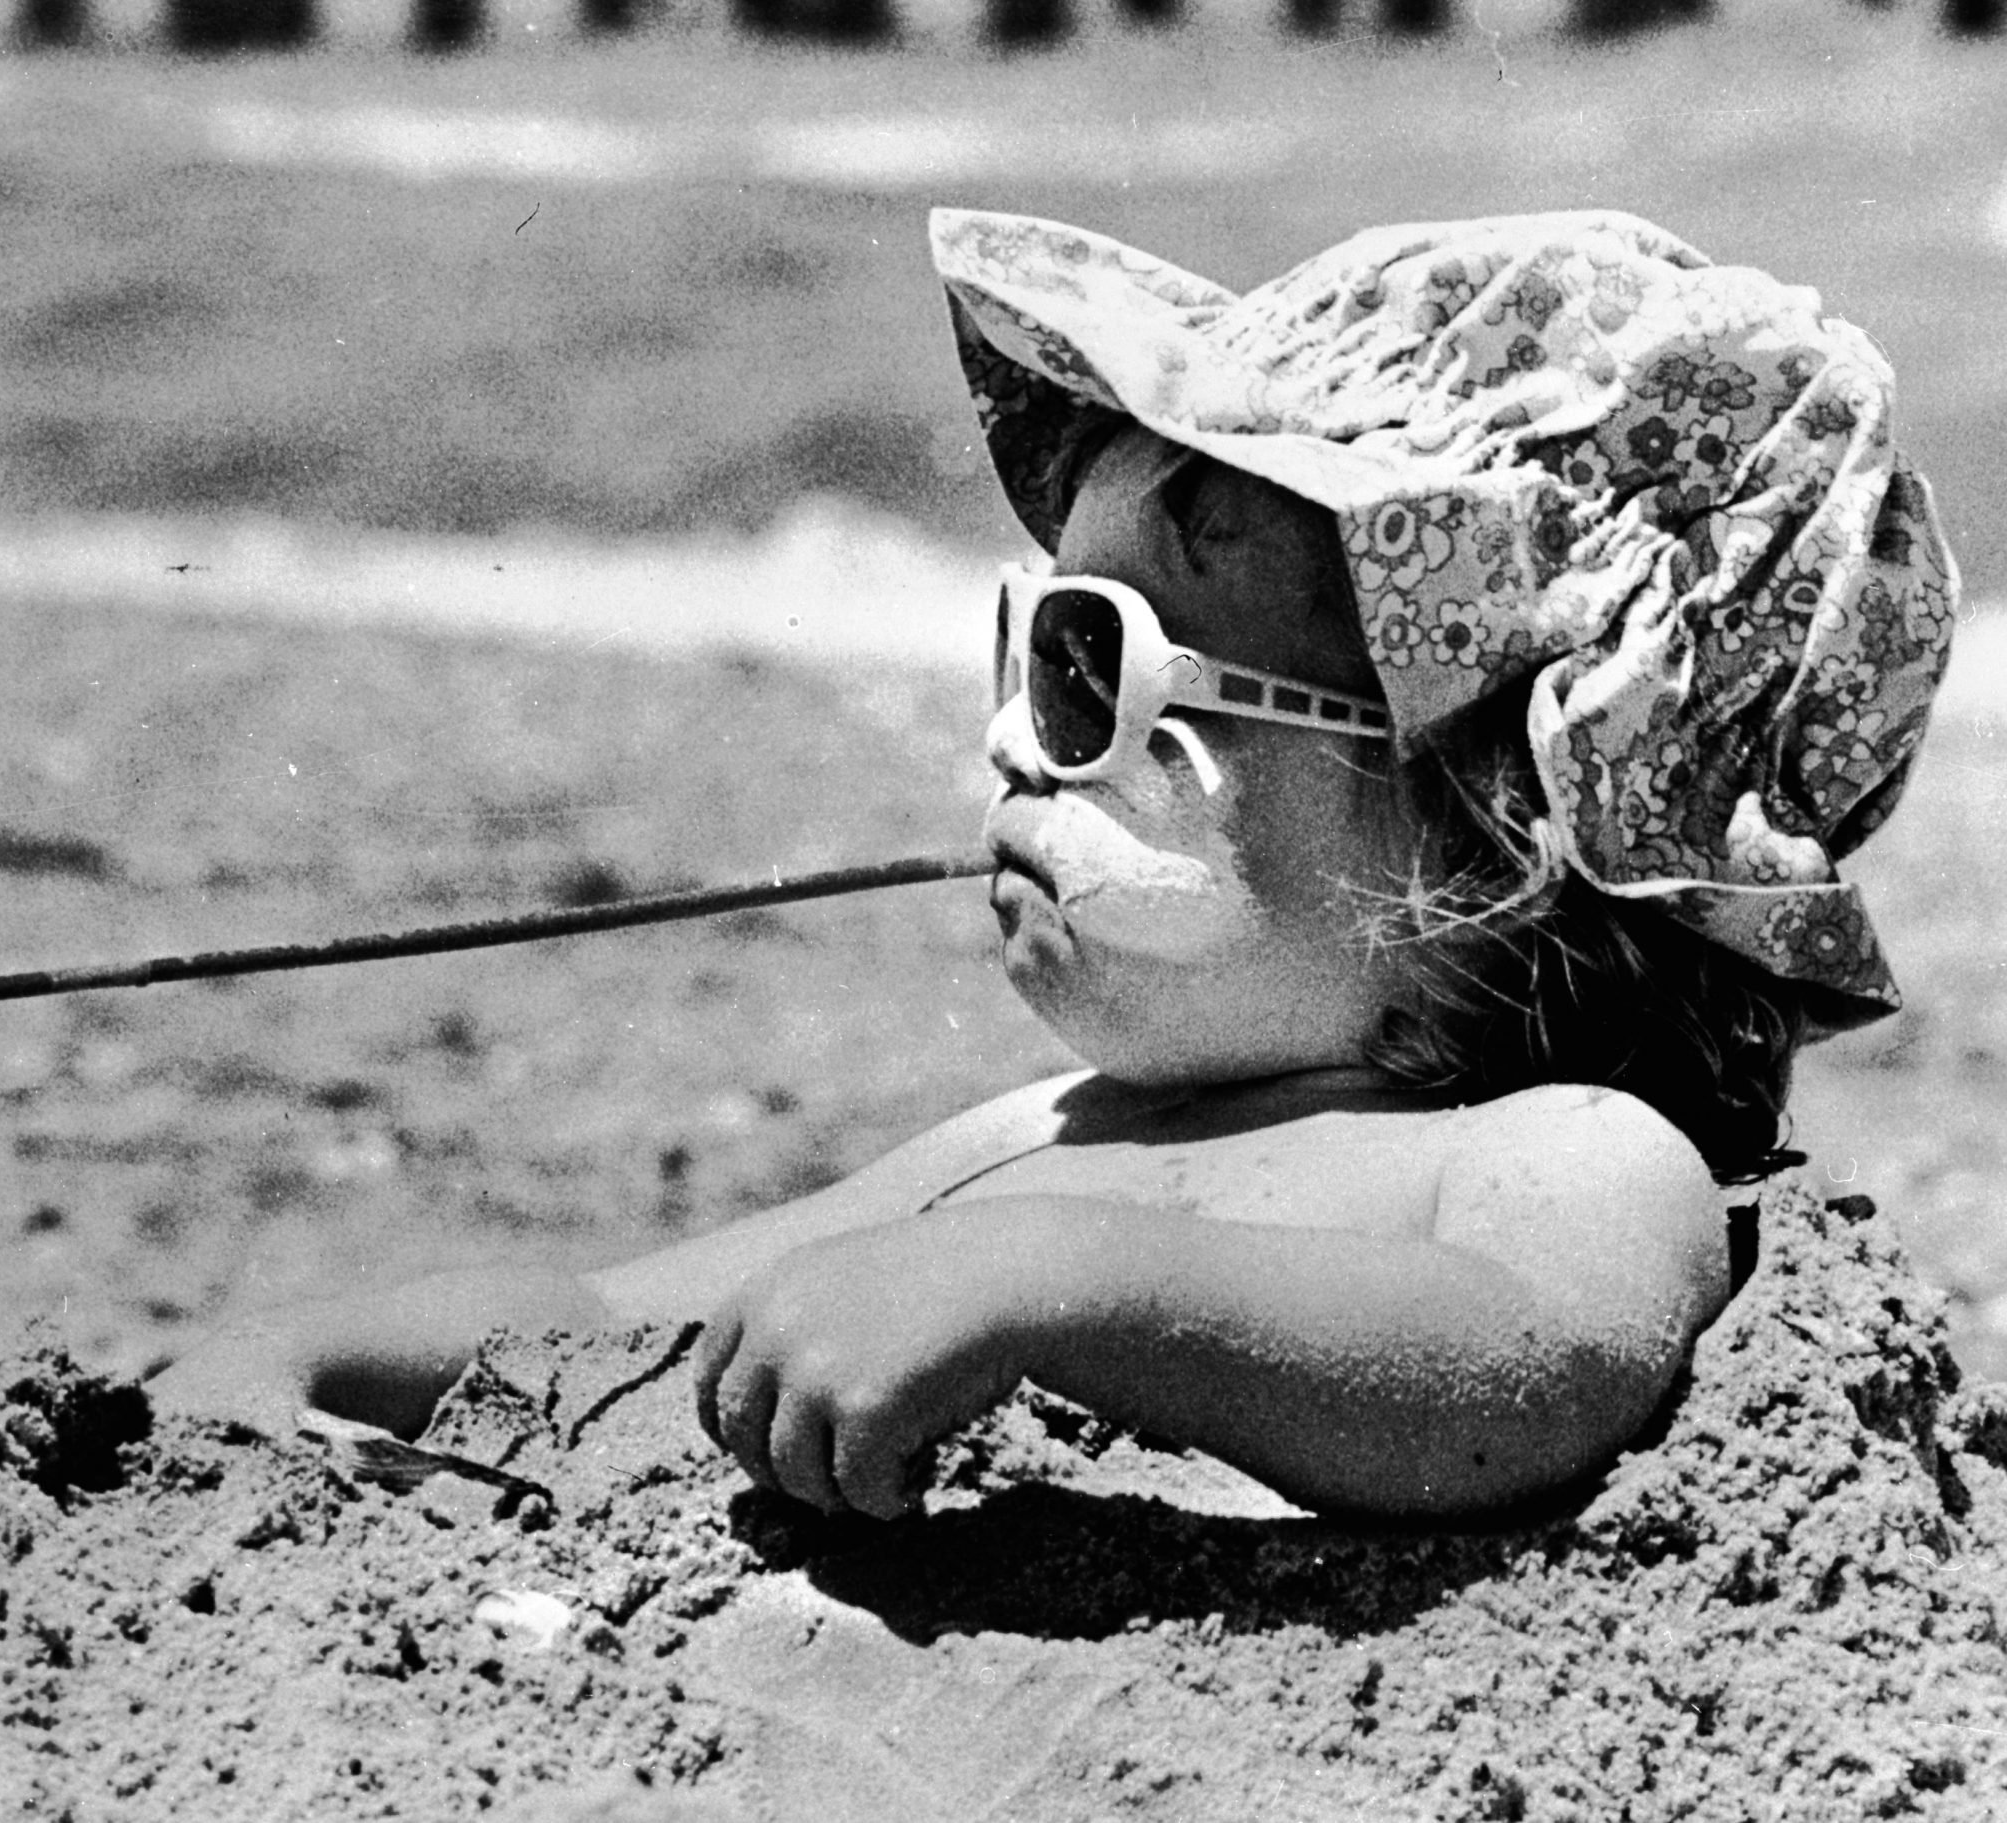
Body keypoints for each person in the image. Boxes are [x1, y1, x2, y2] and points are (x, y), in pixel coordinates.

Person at [151, 208, 1957, 1522]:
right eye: (1031, 649)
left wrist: (1054, 1287)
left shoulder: (1561, 1156)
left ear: (1487, 834)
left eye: (1097, 671)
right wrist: (312, 1354)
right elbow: (619, 1322)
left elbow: (1523, 1363)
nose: (1022, 734)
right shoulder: (1046, 1137)